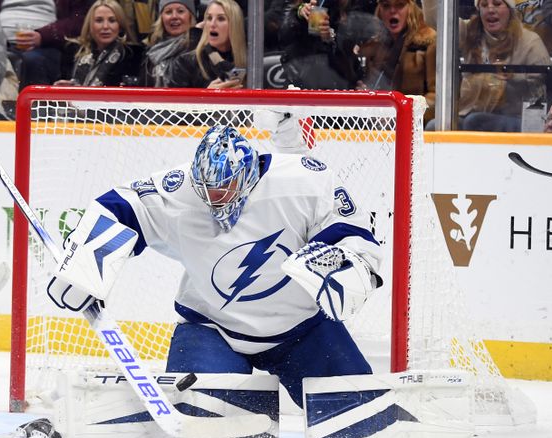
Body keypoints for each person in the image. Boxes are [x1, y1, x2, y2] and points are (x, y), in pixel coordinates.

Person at [47, 125, 382, 413]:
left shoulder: (305, 180)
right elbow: (120, 207)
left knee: (362, 421)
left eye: (224, 189)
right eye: (207, 189)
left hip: (303, 329)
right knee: (213, 433)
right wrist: (84, 264)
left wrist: (347, 266)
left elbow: (350, 231)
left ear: (248, 176)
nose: (215, 199)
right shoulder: (181, 189)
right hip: (212, 330)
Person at [452, 0, 551, 132]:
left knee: (475, 121)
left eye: (497, 4)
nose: (490, 10)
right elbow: (435, 18)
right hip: (471, 112)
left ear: (510, 10)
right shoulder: (468, 33)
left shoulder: (531, 42)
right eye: (484, 5)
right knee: (435, 125)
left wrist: (513, 77)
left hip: (519, 117)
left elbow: (543, 88)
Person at [358, 0, 437, 121]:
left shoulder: (428, 43)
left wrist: (402, 114)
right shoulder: (374, 47)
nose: (392, 11)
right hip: (378, 121)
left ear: (412, 9)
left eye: (400, 5)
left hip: (415, 124)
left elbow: (437, 98)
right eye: (386, 6)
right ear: (380, 10)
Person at [278, 0, 378, 90]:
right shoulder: (312, 8)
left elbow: (350, 62)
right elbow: (284, 35)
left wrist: (358, 84)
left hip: (339, 88)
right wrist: (299, 13)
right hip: (304, 84)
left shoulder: (356, 12)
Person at [5, 0, 96, 88]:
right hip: (2, 43)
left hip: (48, 44)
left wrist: (43, 36)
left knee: (32, 61)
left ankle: (35, 102)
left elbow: (79, 20)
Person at [54, 0, 142, 86]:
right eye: (99, 21)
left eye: (112, 21)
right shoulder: (73, 51)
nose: (105, 26)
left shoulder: (133, 55)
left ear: (120, 26)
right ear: (90, 25)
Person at [166, 0, 247, 88]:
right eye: (209, 18)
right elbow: (176, 101)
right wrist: (207, 95)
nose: (212, 24)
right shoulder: (185, 62)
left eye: (221, 19)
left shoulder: (250, 62)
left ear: (234, 25)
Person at [139, 0, 201, 87]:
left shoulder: (199, 49)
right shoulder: (151, 50)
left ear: (190, 16)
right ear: (162, 18)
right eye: (168, 12)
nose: (174, 16)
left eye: (180, 11)